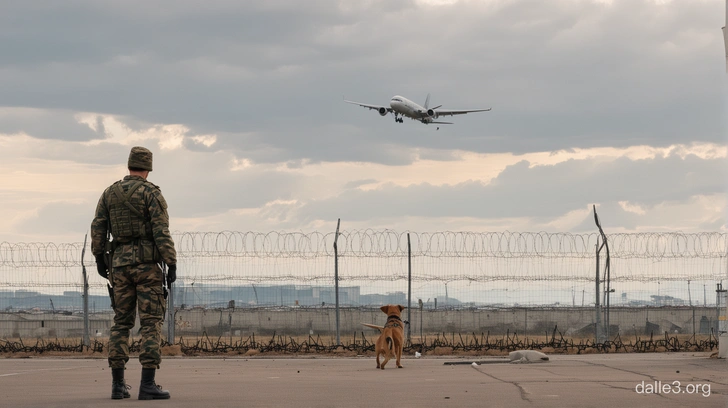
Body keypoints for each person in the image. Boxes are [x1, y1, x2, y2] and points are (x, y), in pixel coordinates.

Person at [91, 146, 177, 400]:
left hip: (118, 265)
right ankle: (147, 384)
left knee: (121, 322)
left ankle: (118, 385)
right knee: (151, 322)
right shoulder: (151, 194)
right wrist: (171, 262)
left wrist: (99, 258)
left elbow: (98, 227)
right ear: (148, 167)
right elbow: (161, 231)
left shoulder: (109, 193)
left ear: (129, 165)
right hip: (147, 266)